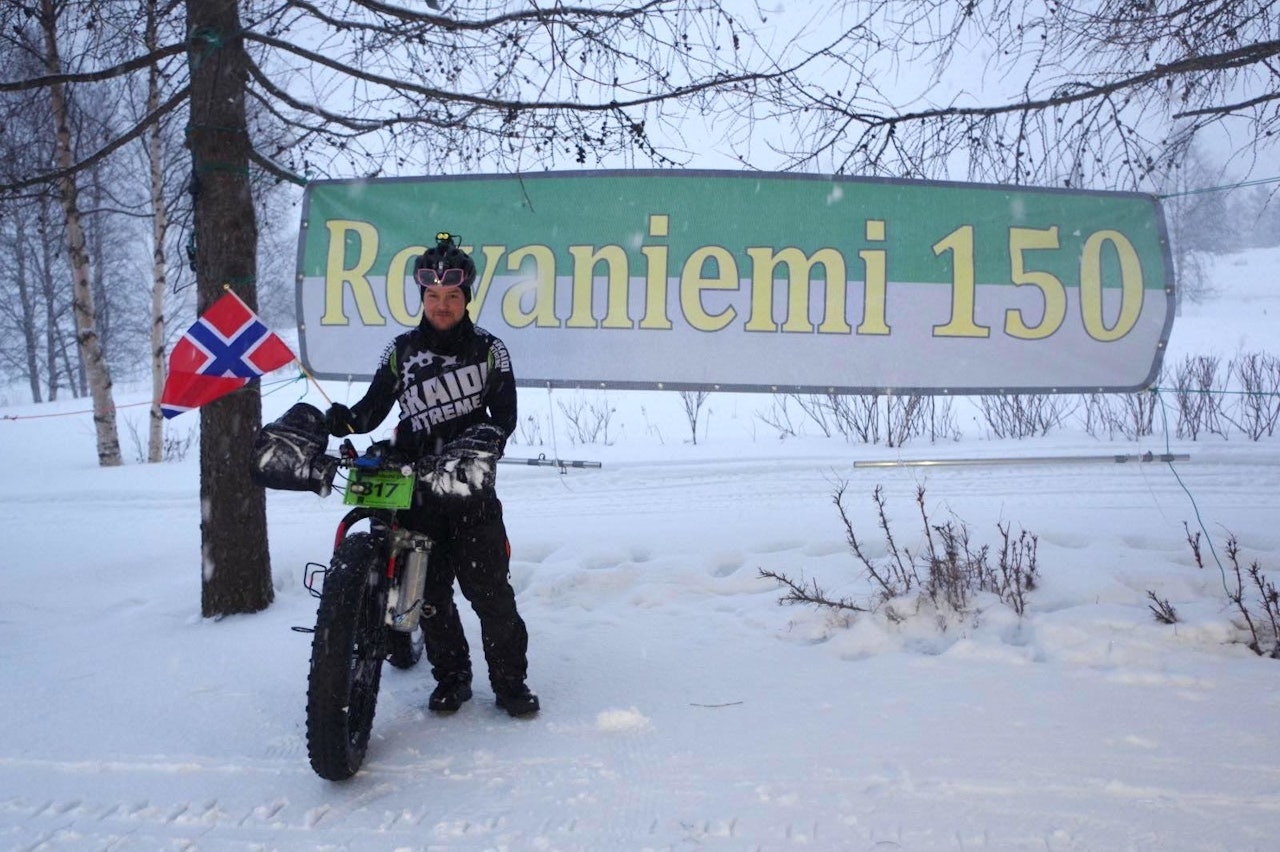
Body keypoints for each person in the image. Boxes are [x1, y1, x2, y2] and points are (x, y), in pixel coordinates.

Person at [324, 232, 538, 717]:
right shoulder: (400, 351)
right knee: (431, 598)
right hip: (415, 495)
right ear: (422, 297)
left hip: (470, 491)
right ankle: (452, 679)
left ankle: (510, 685)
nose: (442, 306)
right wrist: (345, 421)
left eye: (452, 297)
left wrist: (475, 445)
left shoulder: (490, 350)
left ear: (467, 299)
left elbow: (502, 419)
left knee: (492, 597)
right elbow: (371, 411)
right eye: (433, 297)